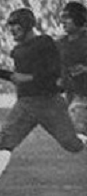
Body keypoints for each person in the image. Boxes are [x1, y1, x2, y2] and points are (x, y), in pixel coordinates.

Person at [0, 8, 87, 192]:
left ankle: (83, 135)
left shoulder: (45, 43)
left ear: (26, 25)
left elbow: (50, 73)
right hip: (26, 102)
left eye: (16, 26)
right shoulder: (18, 50)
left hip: (49, 101)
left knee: (72, 145)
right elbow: (18, 77)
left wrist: (28, 78)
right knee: (5, 139)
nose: (12, 30)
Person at [56, 1, 87, 141]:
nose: (63, 21)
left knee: (78, 128)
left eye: (67, 17)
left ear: (79, 18)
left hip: (83, 96)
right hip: (70, 95)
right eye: (62, 17)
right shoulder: (60, 44)